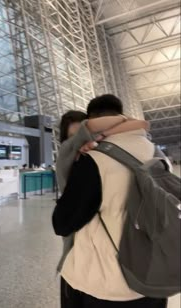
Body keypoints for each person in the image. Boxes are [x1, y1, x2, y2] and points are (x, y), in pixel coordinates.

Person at [53, 94, 167, 308]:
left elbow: (63, 222)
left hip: (105, 282)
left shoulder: (94, 160)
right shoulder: (158, 154)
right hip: (155, 275)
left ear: (91, 121)